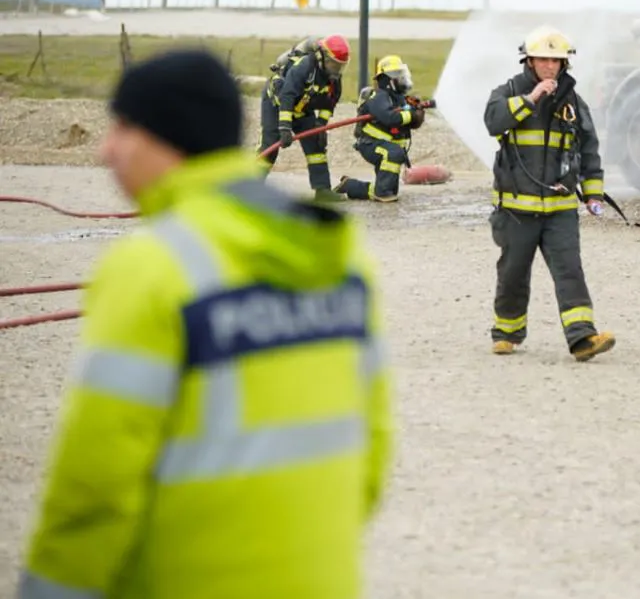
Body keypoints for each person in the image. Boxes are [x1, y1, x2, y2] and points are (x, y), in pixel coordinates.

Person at [18, 49, 393, 599]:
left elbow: (95, 487)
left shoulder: (153, 268)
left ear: (164, 137)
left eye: (122, 128)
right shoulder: (338, 258)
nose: (105, 149)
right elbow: (374, 446)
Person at [483, 26, 615, 361]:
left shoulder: (573, 101)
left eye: (557, 60)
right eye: (544, 59)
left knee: (570, 269)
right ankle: (507, 333)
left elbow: (589, 150)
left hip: (559, 209)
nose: (550, 66)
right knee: (513, 272)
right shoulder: (509, 91)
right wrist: (531, 100)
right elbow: (493, 122)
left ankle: (582, 338)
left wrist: (593, 195)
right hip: (516, 209)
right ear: (528, 60)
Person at [260, 34, 349, 201]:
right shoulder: (304, 67)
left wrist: (320, 125)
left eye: (340, 66)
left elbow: (330, 103)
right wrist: (285, 128)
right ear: (322, 56)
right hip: (277, 104)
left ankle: (322, 191)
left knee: (316, 148)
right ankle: (252, 188)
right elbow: (287, 96)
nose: (336, 70)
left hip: (302, 108)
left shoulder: (334, 78)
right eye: (333, 64)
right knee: (270, 147)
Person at [335, 54, 433, 203]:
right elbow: (390, 118)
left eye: (402, 74)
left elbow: (408, 122)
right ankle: (382, 192)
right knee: (394, 154)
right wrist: (411, 114)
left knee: (389, 189)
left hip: (385, 145)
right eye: (397, 75)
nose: (402, 78)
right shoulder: (378, 97)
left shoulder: (398, 98)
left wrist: (417, 115)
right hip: (370, 144)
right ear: (388, 80)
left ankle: (350, 186)